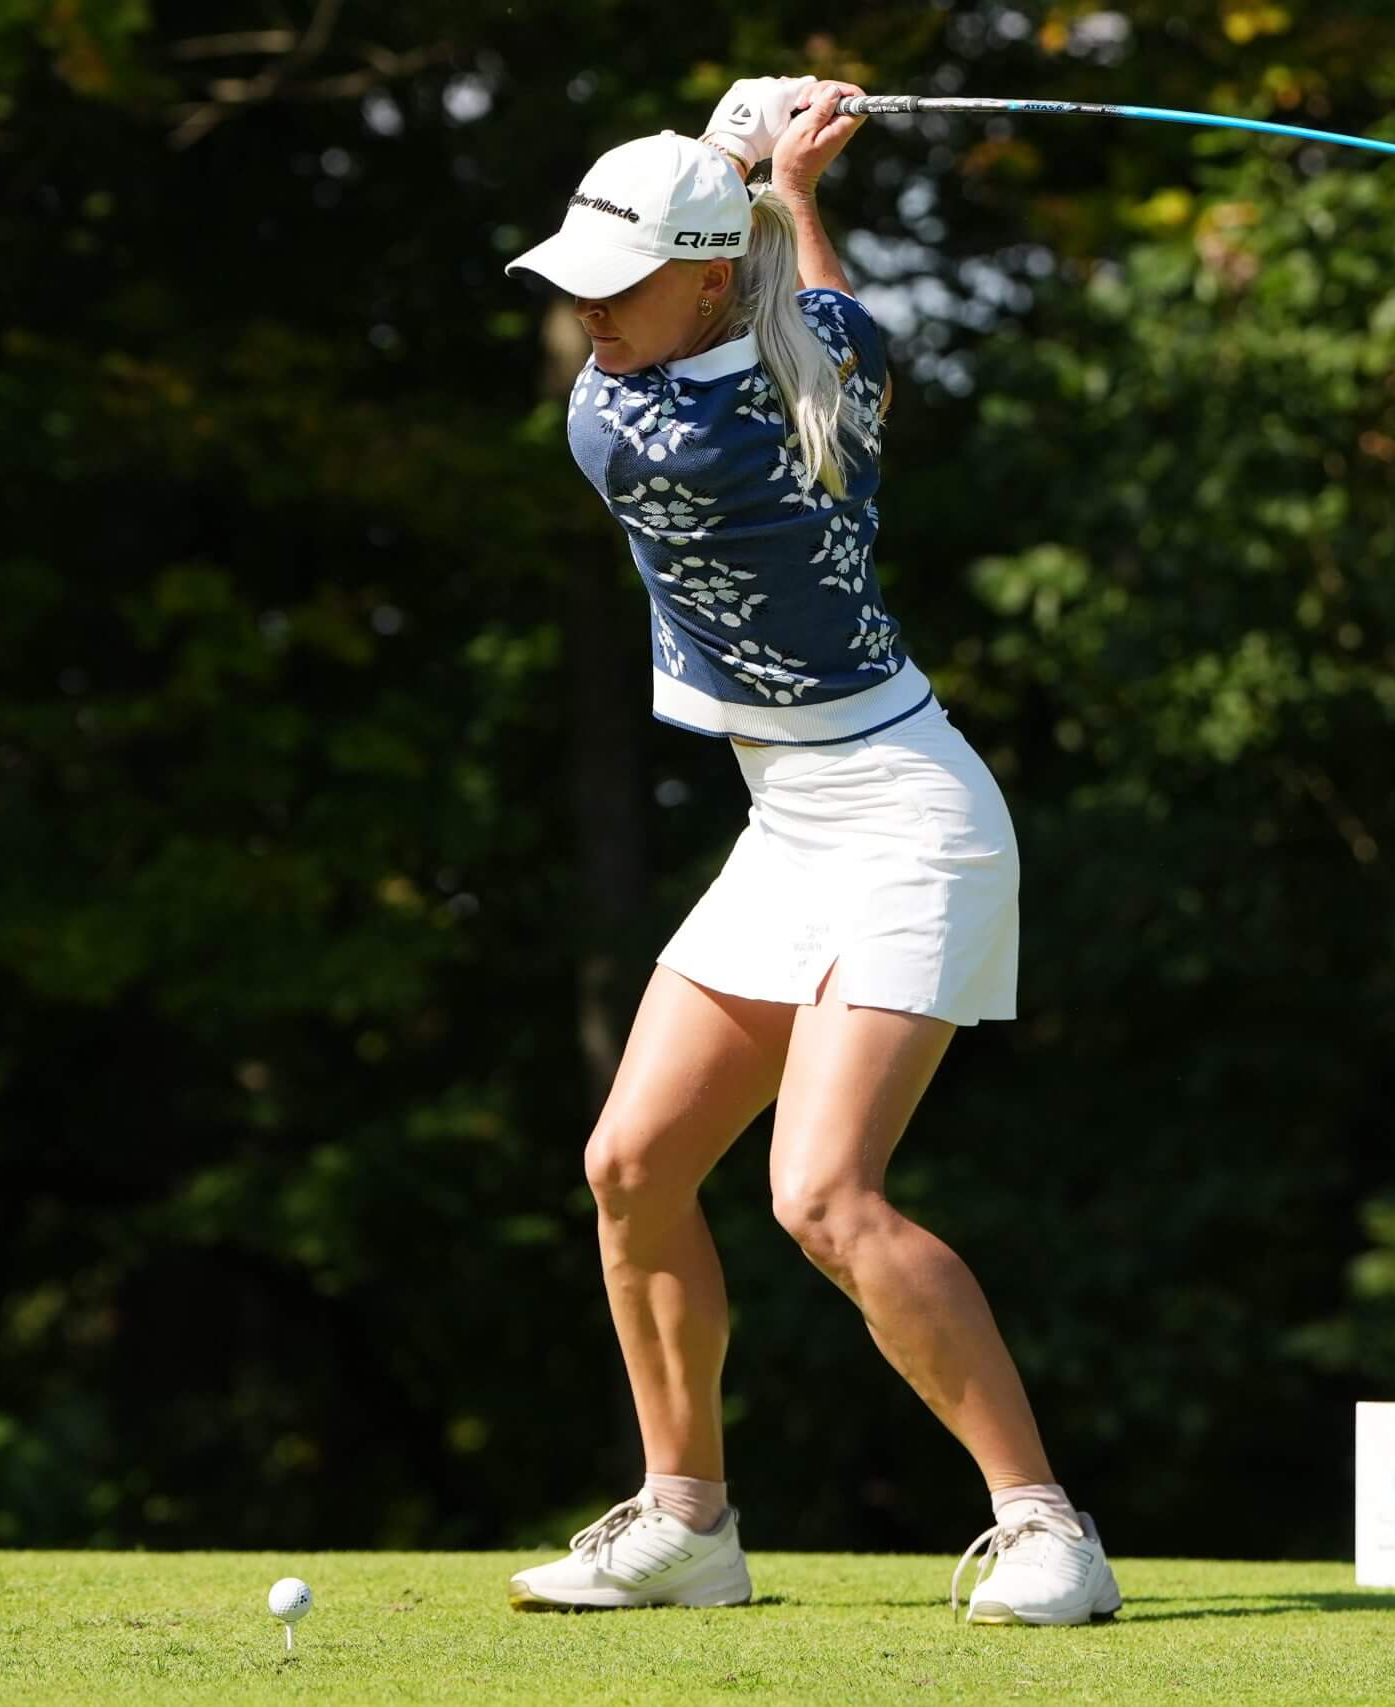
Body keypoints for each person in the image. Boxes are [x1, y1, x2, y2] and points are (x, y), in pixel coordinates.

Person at [497, 77, 1122, 1628]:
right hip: (793, 819)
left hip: (911, 821)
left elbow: (773, 289)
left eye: (615, 286)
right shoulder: (819, 356)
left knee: (822, 1197)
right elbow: (825, 308)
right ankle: (687, 1523)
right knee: (631, 1167)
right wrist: (783, 185)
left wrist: (743, 159)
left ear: (706, 277)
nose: (587, 324)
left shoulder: (646, 432)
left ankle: (1048, 1530)